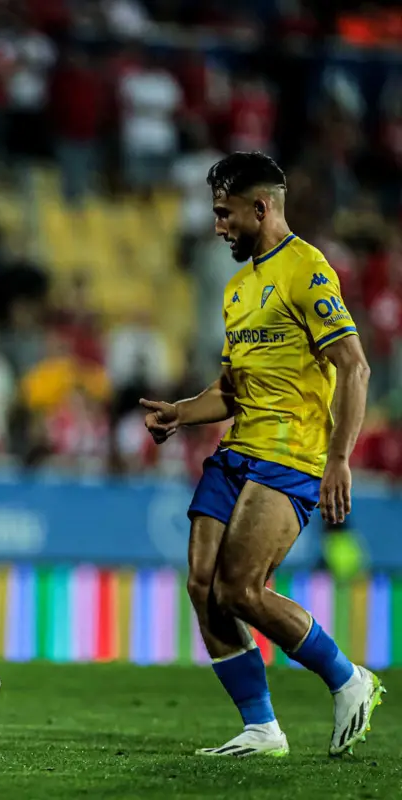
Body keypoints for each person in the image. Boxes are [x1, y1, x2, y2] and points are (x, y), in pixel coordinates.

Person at [140, 152, 383, 757]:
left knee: (241, 590)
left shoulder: (307, 269)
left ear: (260, 207)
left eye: (225, 214)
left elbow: (354, 366)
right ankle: (261, 728)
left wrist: (339, 458)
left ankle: (349, 679)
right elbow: (229, 390)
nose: (218, 226)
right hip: (238, 449)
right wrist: (181, 410)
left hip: (291, 454)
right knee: (203, 585)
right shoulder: (238, 289)